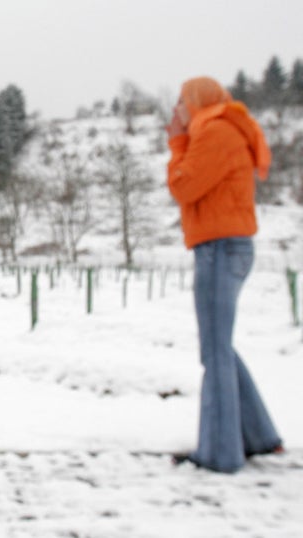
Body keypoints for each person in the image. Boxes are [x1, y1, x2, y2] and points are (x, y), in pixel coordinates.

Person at [165, 76, 283, 473]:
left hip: (219, 247)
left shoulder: (214, 131)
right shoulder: (220, 128)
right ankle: (259, 436)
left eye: (181, 102)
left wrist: (177, 143)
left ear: (198, 101)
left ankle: (220, 453)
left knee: (214, 352)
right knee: (219, 346)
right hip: (224, 245)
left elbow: (184, 187)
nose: (177, 112)